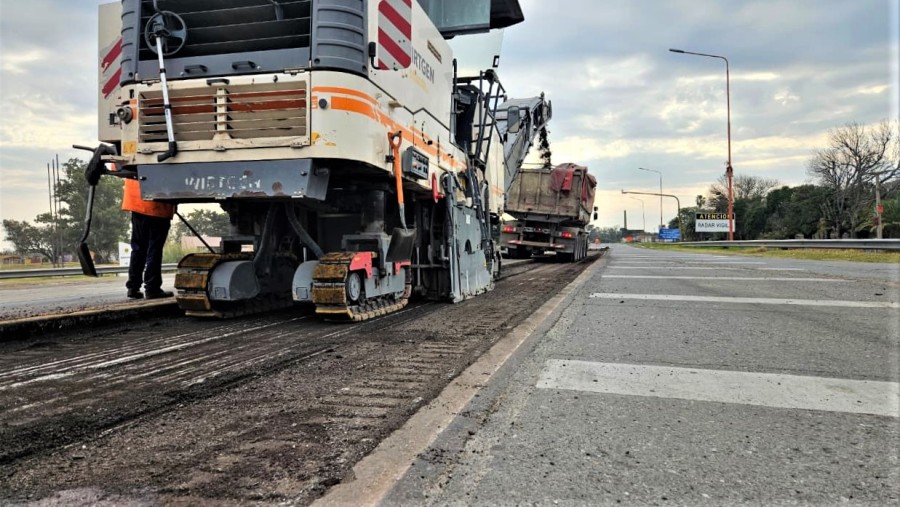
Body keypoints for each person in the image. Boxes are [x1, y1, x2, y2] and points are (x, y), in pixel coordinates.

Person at [122, 178, 176, 299]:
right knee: (154, 249)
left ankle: (133, 287)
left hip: (136, 201)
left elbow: (116, 167)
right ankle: (152, 287)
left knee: (138, 248)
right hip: (158, 204)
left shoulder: (129, 157)